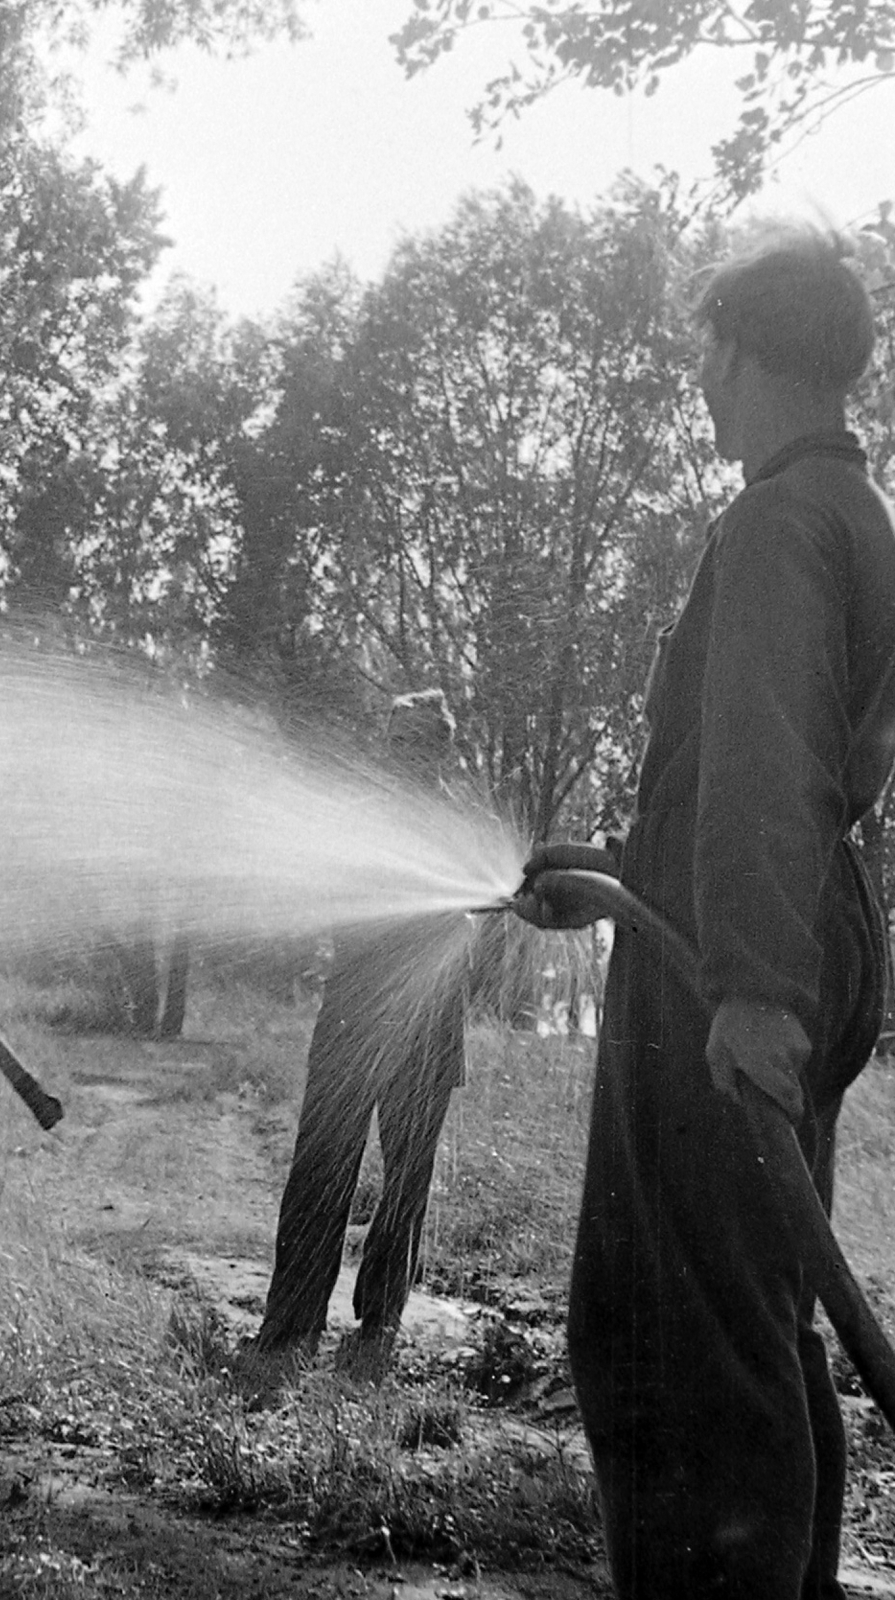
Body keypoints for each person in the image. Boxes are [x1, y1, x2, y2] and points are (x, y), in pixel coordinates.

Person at [521, 226, 895, 1598]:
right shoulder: (850, 510)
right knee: (755, 1313)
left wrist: (746, 985)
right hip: (790, 926)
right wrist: (616, 863)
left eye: (706, 355)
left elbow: (759, 764)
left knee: (665, 1333)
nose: (700, 385)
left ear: (746, 352)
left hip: (742, 958)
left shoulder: (778, 519)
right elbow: (758, 770)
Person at [246, 689, 472, 1382]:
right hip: (354, 1013)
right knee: (322, 1165)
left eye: (423, 743)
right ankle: (291, 1323)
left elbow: (468, 928)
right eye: (401, 741)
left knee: (407, 1180)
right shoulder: (357, 819)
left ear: (441, 749)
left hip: (427, 1022)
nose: (409, 754)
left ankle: (379, 1323)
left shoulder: (457, 826)